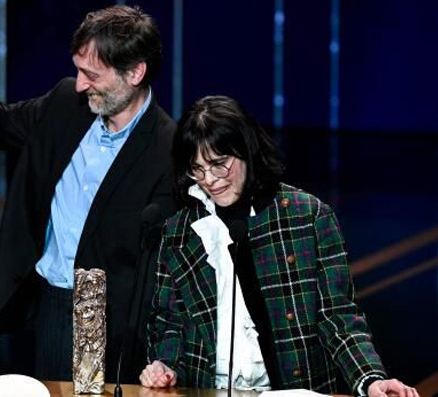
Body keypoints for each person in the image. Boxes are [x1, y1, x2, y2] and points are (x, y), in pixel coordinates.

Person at [0, 5, 177, 382]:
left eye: (91, 74)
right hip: (49, 306)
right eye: (78, 70)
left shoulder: (168, 149)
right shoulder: (66, 102)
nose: (80, 83)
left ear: (135, 72)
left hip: (115, 327)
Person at [140, 96, 419, 397]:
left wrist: (370, 379)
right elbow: (169, 322)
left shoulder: (307, 217)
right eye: (197, 169)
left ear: (246, 150)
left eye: (219, 165)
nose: (209, 180)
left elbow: (336, 315)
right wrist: (164, 366)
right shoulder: (179, 232)